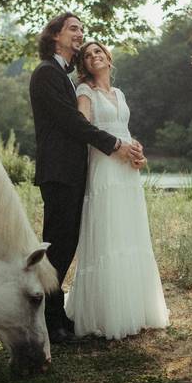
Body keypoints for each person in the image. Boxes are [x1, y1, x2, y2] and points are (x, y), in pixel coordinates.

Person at [29, 12, 143, 344]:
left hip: (73, 172)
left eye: (82, 29)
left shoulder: (61, 75)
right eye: (73, 29)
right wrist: (114, 144)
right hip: (59, 172)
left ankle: (55, 316)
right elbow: (72, 123)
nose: (80, 34)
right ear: (55, 35)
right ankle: (50, 322)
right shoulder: (46, 73)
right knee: (57, 247)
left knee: (65, 247)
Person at [64, 40, 169, 340]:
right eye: (87, 54)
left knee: (129, 232)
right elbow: (84, 130)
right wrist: (116, 148)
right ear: (84, 64)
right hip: (105, 168)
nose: (93, 55)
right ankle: (107, 314)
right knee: (110, 235)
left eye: (98, 51)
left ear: (108, 59)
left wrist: (136, 150)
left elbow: (122, 129)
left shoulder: (119, 94)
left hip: (127, 172)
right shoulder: (85, 92)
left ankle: (136, 309)